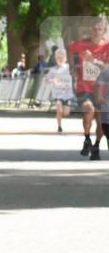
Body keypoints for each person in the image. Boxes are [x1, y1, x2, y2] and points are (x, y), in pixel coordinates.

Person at [68, 16, 109, 159]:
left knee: (101, 122)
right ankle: (87, 138)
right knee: (88, 110)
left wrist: (94, 61)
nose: (96, 32)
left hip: (102, 89)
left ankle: (96, 145)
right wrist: (72, 67)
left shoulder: (107, 46)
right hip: (84, 87)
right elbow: (71, 50)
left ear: (104, 31)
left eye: (100, 29)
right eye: (94, 29)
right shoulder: (80, 44)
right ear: (90, 30)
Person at [46, 49, 74, 134]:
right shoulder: (53, 69)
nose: (60, 59)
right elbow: (47, 79)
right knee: (59, 108)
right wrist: (52, 80)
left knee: (66, 113)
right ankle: (59, 126)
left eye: (62, 57)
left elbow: (75, 73)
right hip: (57, 93)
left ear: (65, 58)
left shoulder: (68, 68)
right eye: (58, 57)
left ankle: (64, 112)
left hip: (67, 94)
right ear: (56, 58)